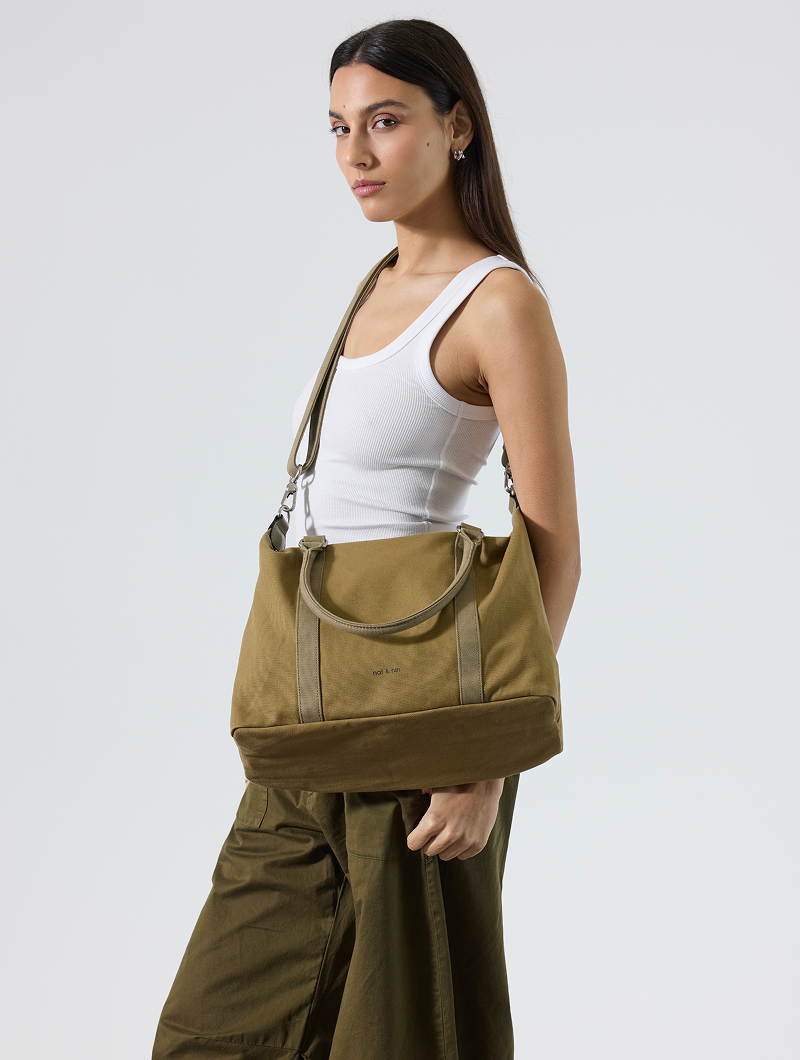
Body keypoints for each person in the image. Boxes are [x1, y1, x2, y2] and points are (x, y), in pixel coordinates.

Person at [152, 17, 580, 1060]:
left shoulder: (498, 304)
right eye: (339, 127)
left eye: (385, 121)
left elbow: (554, 546)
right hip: (307, 724)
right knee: (215, 1026)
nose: (356, 152)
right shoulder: (372, 288)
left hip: (428, 727)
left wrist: (484, 764)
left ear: (457, 128)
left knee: (403, 1031)